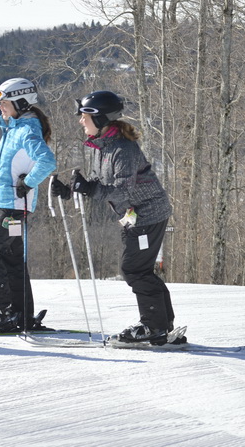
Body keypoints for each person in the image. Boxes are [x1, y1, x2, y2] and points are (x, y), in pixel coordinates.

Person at [67, 90, 179, 345]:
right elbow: (100, 181)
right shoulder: (103, 147)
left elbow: (122, 190)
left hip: (147, 214)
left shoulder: (122, 148)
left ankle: (153, 326)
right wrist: (73, 189)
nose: (80, 121)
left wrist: (90, 189)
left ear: (101, 118)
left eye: (84, 116)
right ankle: (161, 324)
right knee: (139, 269)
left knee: (134, 269)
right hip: (133, 216)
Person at [0, 78, 57, 332]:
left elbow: (47, 162)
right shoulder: (15, 128)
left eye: (4, 102)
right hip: (12, 206)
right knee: (11, 259)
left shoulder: (26, 129)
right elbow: (15, 164)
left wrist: (28, 183)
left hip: (14, 208)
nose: (0, 107)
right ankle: (22, 315)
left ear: (20, 102)